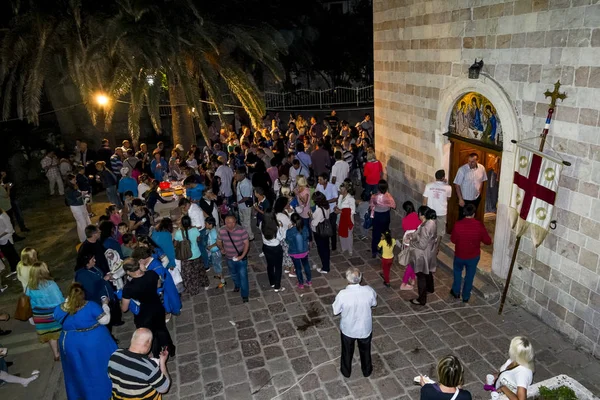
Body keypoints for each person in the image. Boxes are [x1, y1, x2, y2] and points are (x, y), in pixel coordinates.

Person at [54, 283, 117, 400]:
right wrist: (105, 305)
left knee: (78, 370)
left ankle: (82, 394)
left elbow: (57, 318)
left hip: (70, 343)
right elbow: (105, 320)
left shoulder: (59, 308)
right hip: (92, 341)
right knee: (97, 367)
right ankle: (103, 393)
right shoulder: (91, 306)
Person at [120, 258, 175, 357]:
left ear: (128, 272)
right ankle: (170, 349)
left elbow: (124, 308)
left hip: (144, 313)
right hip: (157, 306)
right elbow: (158, 285)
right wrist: (145, 270)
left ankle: (156, 354)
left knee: (150, 335)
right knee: (162, 329)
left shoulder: (128, 288)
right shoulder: (151, 274)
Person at [332, 267, 377, 378]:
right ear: (360, 279)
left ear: (348, 279)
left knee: (347, 351)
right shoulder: (368, 290)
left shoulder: (342, 294)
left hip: (348, 329)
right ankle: (367, 371)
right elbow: (374, 303)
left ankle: (346, 372)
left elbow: (335, 310)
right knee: (365, 351)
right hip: (364, 328)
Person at [108, 328, 171, 399]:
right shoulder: (149, 367)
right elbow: (164, 389)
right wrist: (162, 362)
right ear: (148, 344)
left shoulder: (115, 355)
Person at [450, 204, 492, 302]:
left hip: (460, 255)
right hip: (473, 256)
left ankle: (456, 292)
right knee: (470, 276)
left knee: (457, 272)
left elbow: (453, 240)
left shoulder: (458, 224)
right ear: (474, 213)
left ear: (464, 212)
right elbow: (487, 241)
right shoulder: (479, 225)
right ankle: (466, 296)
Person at [74, 254, 123, 331]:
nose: (95, 260)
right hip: (98, 301)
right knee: (104, 321)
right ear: (86, 262)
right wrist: (104, 280)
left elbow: (100, 276)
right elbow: (92, 289)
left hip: (106, 295)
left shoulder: (94, 267)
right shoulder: (82, 275)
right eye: (92, 259)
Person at [26, 262, 64, 361]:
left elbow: (30, 300)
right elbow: (59, 300)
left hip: (39, 314)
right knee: (60, 333)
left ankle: (56, 354)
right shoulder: (50, 284)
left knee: (51, 335)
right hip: (52, 313)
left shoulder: (30, 286)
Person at [133, 246, 182, 318]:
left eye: (139, 260)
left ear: (144, 259)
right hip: (164, 281)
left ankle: (173, 310)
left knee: (170, 297)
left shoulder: (157, 267)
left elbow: (157, 283)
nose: (138, 262)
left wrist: (145, 272)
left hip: (164, 284)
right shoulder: (150, 260)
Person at [407, 207, 438, 306]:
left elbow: (422, 245)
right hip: (430, 252)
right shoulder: (432, 222)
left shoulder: (425, 227)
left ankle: (421, 299)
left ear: (422, 215)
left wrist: (411, 242)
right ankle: (430, 288)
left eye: (419, 213)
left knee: (420, 275)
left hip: (423, 255)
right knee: (428, 271)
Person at [217, 215, 250, 302]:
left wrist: (242, 256)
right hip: (229, 257)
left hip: (241, 258)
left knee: (243, 276)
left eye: (232, 222)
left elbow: (246, 244)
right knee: (233, 273)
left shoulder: (241, 230)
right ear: (225, 222)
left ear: (235, 222)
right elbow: (219, 241)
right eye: (228, 223)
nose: (230, 225)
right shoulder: (222, 230)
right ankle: (237, 285)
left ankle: (245, 295)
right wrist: (222, 249)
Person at [174, 215, 210, 295]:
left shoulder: (178, 233)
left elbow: (175, 244)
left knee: (189, 275)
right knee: (200, 271)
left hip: (186, 257)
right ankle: (205, 284)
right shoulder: (195, 230)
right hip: (197, 254)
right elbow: (198, 239)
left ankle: (193, 290)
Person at [453, 153, 487, 219]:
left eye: (472, 162)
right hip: (465, 199)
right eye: (469, 161)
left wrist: (479, 191)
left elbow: (482, 180)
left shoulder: (482, 168)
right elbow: (457, 184)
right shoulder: (462, 170)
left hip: (476, 198)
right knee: (462, 218)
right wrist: (460, 199)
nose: (470, 163)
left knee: (473, 217)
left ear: (477, 161)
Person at [369, 180, 396, 258]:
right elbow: (393, 205)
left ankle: (374, 251)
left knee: (376, 233)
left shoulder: (374, 196)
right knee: (385, 232)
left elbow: (371, 205)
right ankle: (383, 249)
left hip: (377, 216)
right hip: (386, 216)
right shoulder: (388, 196)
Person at [423, 169, 452, 239]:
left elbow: (424, 200)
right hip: (441, 212)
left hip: (430, 212)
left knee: (430, 230)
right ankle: (436, 247)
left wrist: (424, 212)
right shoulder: (448, 187)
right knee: (440, 232)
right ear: (443, 177)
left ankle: (430, 245)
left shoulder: (428, 186)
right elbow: (448, 198)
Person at [261, 210, 285, 292]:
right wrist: (281, 227)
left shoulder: (262, 224)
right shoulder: (276, 227)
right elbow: (281, 237)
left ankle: (272, 282)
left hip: (266, 247)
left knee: (270, 265)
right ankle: (277, 286)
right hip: (276, 248)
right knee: (278, 267)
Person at [64, 174, 92, 243]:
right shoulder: (68, 189)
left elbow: (78, 194)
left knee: (86, 219)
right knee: (81, 223)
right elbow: (73, 199)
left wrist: (82, 194)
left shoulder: (74, 186)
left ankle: (90, 235)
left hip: (81, 205)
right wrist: (82, 195)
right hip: (76, 207)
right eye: (74, 180)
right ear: (69, 181)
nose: (76, 181)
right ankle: (84, 239)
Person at [286, 213, 311, 289]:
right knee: (306, 265)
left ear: (292, 221)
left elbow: (287, 241)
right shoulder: (305, 228)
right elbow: (307, 236)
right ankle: (309, 281)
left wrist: (289, 228)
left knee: (298, 268)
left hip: (294, 252)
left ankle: (301, 283)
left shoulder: (290, 231)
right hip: (304, 251)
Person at [399, 201, 420, 290]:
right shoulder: (418, 216)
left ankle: (412, 279)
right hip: (415, 242)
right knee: (412, 264)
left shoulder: (405, 219)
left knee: (412, 261)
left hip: (407, 242)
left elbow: (404, 228)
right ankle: (403, 283)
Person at [316, 172, 339, 252]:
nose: (319, 181)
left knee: (332, 228)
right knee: (323, 227)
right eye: (318, 179)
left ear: (325, 180)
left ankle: (333, 246)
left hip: (331, 210)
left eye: (320, 179)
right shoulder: (318, 186)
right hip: (322, 211)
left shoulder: (332, 187)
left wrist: (326, 202)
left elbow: (335, 198)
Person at [311, 192, 331, 274]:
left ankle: (325, 268)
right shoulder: (327, 206)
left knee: (321, 249)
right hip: (325, 230)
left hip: (319, 232)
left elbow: (314, 223)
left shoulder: (319, 210)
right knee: (326, 248)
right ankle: (326, 265)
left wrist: (311, 217)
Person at [335, 181, 355, 257]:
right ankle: (344, 248)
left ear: (346, 190)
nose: (340, 191)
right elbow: (339, 205)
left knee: (349, 235)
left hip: (348, 219)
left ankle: (350, 249)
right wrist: (336, 209)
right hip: (340, 218)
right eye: (340, 189)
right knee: (341, 234)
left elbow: (352, 211)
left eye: (342, 190)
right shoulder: (340, 196)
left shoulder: (350, 199)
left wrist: (341, 211)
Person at [234, 167, 254, 241]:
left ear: (242, 175)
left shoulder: (246, 184)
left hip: (245, 206)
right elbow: (238, 193)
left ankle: (250, 236)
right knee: (242, 221)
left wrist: (238, 202)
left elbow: (246, 197)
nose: (235, 176)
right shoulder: (239, 182)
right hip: (241, 206)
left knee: (246, 222)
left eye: (237, 174)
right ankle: (245, 234)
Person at [204, 217, 225, 288]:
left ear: (210, 224)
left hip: (216, 251)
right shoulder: (210, 230)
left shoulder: (213, 232)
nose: (205, 225)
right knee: (215, 263)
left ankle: (222, 279)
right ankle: (219, 275)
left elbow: (218, 241)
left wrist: (210, 246)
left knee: (218, 264)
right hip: (213, 251)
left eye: (206, 224)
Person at [0, 208, 20, 274]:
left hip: (6, 238)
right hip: (1, 240)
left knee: (12, 255)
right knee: (8, 256)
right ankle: (14, 269)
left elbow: (9, 228)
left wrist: (0, 235)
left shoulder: (3, 216)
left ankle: (17, 270)